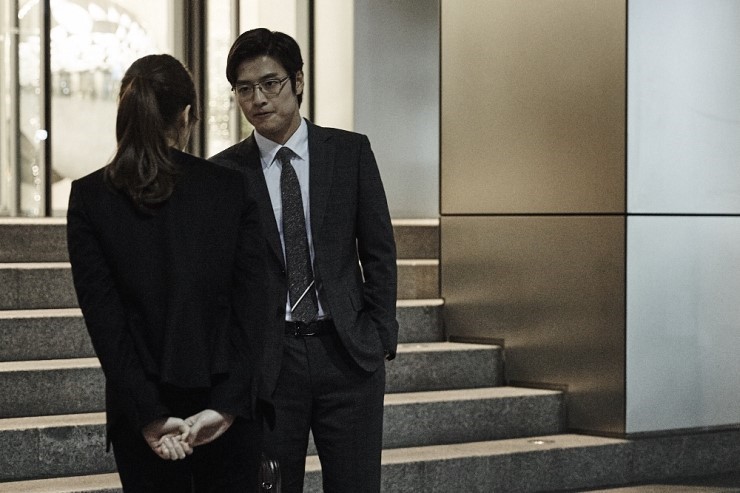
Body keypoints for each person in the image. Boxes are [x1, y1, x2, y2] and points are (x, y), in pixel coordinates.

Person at [67, 54, 268, 492]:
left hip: (142, 412)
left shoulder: (89, 198)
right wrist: (227, 406)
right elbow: (255, 306)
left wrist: (151, 415)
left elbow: (108, 325)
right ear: (186, 115)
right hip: (224, 403)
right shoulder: (229, 187)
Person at [210, 28, 398, 493]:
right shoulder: (223, 174)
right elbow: (219, 279)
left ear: (297, 82)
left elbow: (378, 251)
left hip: (347, 353)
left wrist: (379, 335)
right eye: (244, 89)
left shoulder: (349, 152)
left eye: (270, 83)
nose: (258, 99)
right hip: (271, 364)